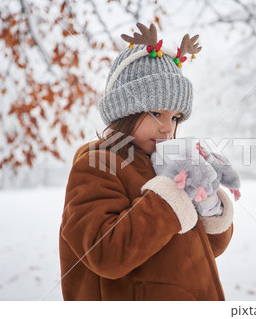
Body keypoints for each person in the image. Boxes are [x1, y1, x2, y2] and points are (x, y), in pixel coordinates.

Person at [59, 23, 236, 301]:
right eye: (156, 113)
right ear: (125, 112)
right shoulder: (96, 165)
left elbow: (208, 248)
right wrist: (171, 194)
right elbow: (106, 254)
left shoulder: (164, 163)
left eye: (175, 117)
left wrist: (208, 201)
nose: (168, 127)